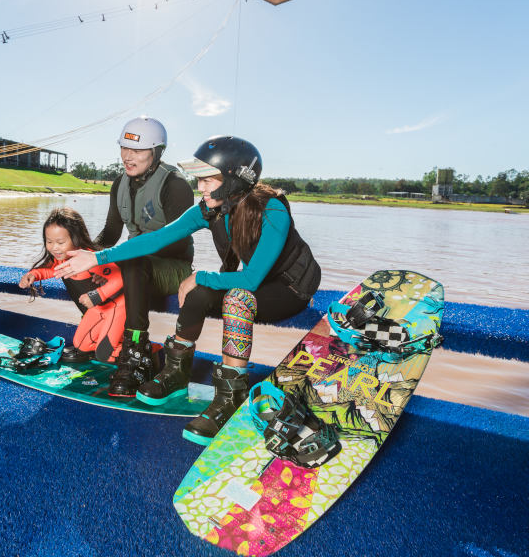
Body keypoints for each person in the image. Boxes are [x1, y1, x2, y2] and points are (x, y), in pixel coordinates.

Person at [58, 136, 322, 445]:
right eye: (199, 179)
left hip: (290, 289)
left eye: (208, 179)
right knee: (198, 293)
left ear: (235, 180)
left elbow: (249, 281)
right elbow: (157, 238)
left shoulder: (273, 210)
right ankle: (176, 374)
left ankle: (230, 397)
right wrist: (98, 257)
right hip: (258, 282)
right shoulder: (211, 209)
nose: (201, 187)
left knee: (235, 298)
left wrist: (201, 275)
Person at [93, 116, 195, 397]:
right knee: (85, 265)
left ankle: (137, 352)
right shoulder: (119, 184)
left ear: (157, 152)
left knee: (134, 262)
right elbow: (110, 233)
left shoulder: (175, 185)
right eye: (124, 148)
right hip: (133, 266)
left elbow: (176, 242)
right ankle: (103, 339)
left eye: (137, 150)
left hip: (173, 266)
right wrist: (84, 253)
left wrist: (122, 258)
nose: (127, 156)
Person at [18, 207, 126, 363]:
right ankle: (115, 349)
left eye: (60, 242)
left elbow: (121, 278)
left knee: (104, 353)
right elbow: (51, 270)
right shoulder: (62, 259)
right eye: (49, 242)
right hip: (98, 310)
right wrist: (33, 275)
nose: (54, 247)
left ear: (76, 239)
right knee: (80, 345)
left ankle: (139, 354)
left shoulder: (90, 259)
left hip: (116, 308)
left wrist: (97, 295)